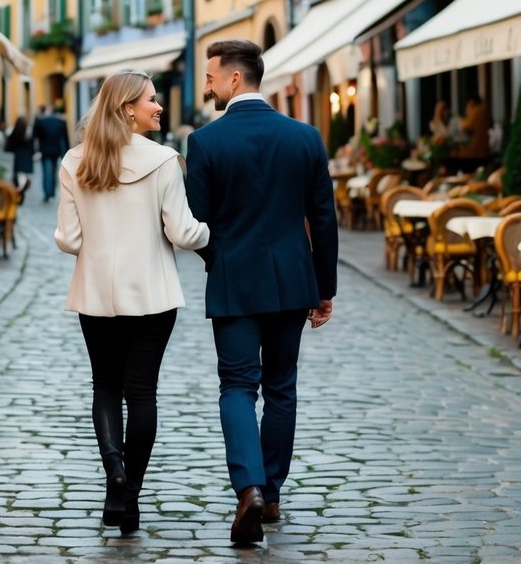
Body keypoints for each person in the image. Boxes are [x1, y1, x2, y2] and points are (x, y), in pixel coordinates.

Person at [185, 39, 338, 545]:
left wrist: (221, 263)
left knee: (236, 386)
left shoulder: (206, 143)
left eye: (210, 77)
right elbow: (323, 220)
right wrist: (323, 288)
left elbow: (198, 224)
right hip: (294, 281)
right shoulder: (306, 137)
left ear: (234, 79)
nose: (205, 86)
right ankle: (270, 493)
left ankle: (247, 489)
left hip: (234, 281)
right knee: (281, 388)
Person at [55, 70, 209, 535]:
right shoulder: (163, 161)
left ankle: (113, 474)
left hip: (96, 291)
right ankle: (131, 495)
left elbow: (68, 239)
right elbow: (183, 233)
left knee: (105, 386)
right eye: (151, 100)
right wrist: (213, 233)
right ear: (127, 109)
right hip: (152, 294)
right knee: (142, 393)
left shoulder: (75, 161)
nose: (159, 107)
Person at [33, 102, 70, 203]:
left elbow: (35, 137)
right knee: (54, 171)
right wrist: (66, 153)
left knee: (46, 171)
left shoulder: (41, 122)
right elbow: (65, 138)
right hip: (56, 150)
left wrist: (34, 151)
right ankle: (52, 191)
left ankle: (48, 192)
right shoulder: (61, 122)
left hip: (45, 150)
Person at [5, 115, 33, 195]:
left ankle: (20, 187)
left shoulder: (13, 131)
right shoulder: (28, 132)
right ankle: (21, 186)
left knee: (18, 173)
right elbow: (31, 145)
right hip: (26, 155)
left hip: (17, 155)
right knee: (23, 173)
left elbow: (9, 145)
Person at [460, 94, 490, 162]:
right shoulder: (484, 110)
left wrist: (466, 114)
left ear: (472, 102)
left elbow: (466, 126)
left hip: (475, 150)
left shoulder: (477, 111)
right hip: (484, 148)